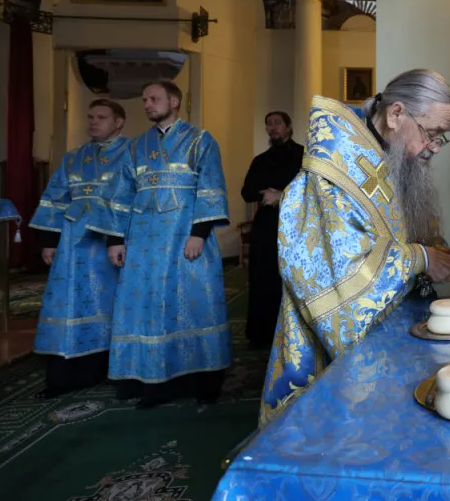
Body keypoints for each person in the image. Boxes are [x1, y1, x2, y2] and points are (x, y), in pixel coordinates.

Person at [260, 69, 450, 425]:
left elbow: (395, 234)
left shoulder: (388, 152)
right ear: (396, 114)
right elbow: (336, 278)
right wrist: (422, 257)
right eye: (431, 134)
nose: (433, 148)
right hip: (327, 349)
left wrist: (437, 251)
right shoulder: (335, 169)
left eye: (441, 138)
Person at [88, 81, 232, 408]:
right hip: (143, 245)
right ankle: (154, 383)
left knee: (192, 304)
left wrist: (200, 232)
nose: (148, 104)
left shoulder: (200, 140)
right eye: (144, 100)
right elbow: (120, 195)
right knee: (147, 310)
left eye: (154, 99)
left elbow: (211, 187)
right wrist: (115, 240)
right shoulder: (136, 147)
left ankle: (202, 381)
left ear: (175, 101)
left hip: (185, 238)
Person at [28, 99, 131, 398]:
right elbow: (54, 198)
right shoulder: (73, 158)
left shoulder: (133, 154)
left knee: (110, 304)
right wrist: (49, 240)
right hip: (73, 245)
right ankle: (65, 372)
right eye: (90, 117)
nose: (93, 122)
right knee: (69, 303)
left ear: (119, 122)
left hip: (115, 243)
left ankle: (111, 368)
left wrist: (118, 238)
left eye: (101, 117)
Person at [240, 111, 304, 349]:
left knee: (289, 279)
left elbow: (313, 191)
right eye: (268, 124)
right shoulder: (260, 160)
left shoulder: (304, 156)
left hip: (296, 226)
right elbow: (247, 192)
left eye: (277, 123)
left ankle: (293, 334)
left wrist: (283, 196)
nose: (272, 127)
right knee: (263, 278)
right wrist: (265, 194)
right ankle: (262, 334)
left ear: (289, 127)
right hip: (267, 226)